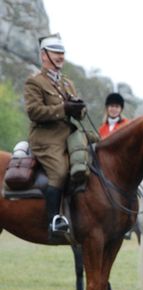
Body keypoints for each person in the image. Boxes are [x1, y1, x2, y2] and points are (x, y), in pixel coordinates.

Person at [24, 33, 86, 239]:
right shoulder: (34, 82)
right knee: (59, 172)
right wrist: (64, 108)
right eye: (55, 52)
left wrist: (79, 109)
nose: (60, 57)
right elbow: (34, 112)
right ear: (44, 55)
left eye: (62, 53)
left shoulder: (67, 83)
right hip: (45, 139)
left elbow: (78, 112)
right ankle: (54, 221)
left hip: (69, 136)